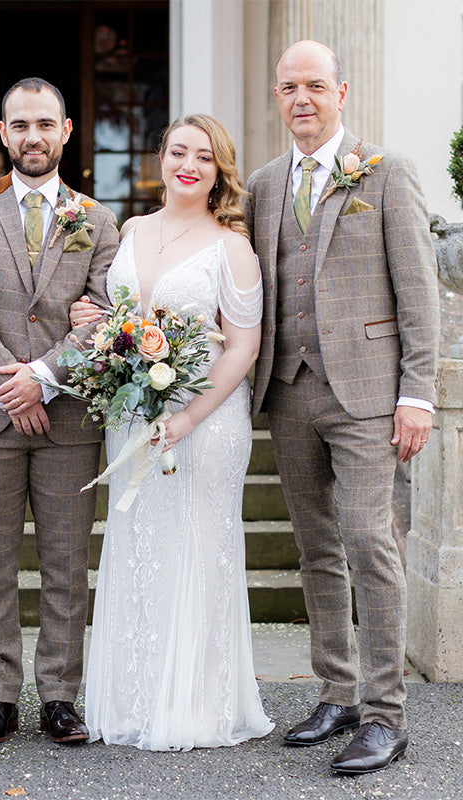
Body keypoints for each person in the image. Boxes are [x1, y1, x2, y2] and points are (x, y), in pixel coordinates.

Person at [245, 40, 438, 774]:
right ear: (279, 95)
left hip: (367, 394)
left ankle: (387, 716)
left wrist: (415, 394)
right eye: (289, 86)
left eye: (315, 86)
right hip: (289, 391)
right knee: (316, 547)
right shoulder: (265, 185)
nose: (302, 98)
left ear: (342, 92)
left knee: (369, 540)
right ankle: (338, 691)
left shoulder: (386, 174)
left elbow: (418, 292)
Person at [70, 114, 274, 751]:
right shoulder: (131, 230)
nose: (189, 164)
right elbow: (121, 317)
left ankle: (193, 705)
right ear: (161, 157)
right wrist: (96, 319)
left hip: (204, 422)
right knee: (136, 544)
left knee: (195, 546)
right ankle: (133, 699)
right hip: (132, 414)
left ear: (219, 172)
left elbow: (242, 347)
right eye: (178, 151)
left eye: (204, 157)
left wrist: (186, 417)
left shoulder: (230, 246)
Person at [0, 78, 118, 746]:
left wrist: (43, 379)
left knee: (67, 563)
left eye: (46, 124)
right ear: (3, 131)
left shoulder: (99, 221)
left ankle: (60, 697)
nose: (33, 137)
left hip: (69, 416)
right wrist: (10, 383)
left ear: (67, 131)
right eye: (21, 125)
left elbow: (102, 314)